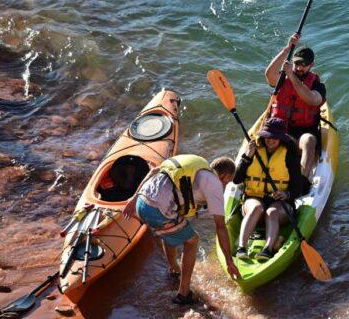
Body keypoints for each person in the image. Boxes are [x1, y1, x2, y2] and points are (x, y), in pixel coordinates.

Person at [123, 154, 241, 305]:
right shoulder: (214, 184)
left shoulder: (195, 166)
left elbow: (153, 172)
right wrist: (229, 261)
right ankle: (183, 294)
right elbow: (220, 226)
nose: (225, 187)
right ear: (224, 176)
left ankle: (174, 270)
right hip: (157, 211)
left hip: (141, 202)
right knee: (192, 240)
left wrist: (133, 200)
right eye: (228, 182)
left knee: (174, 227)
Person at [232, 117, 302, 261]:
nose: (270, 140)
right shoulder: (253, 150)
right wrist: (247, 157)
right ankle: (241, 247)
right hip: (254, 199)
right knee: (256, 208)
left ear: (282, 138)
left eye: (275, 137)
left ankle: (268, 249)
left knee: (271, 212)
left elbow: (298, 186)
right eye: (267, 137)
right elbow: (237, 179)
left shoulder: (289, 154)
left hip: (280, 206)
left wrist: (286, 193)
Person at [265, 33, 326, 193]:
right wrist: (287, 48)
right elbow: (269, 75)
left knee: (309, 141)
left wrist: (292, 77)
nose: (299, 68)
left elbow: (313, 100)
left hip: (302, 132)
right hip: (280, 129)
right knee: (266, 140)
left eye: (304, 65)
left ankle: (301, 183)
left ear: (311, 65)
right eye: (297, 63)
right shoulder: (282, 78)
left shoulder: (317, 85)